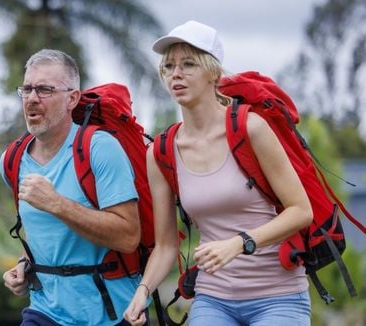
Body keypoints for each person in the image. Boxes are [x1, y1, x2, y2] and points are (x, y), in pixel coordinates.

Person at [123, 20, 313, 325]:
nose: (176, 74)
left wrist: (240, 242)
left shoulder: (251, 129)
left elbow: (301, 211)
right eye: (169, 66)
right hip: (213, 299)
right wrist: (142, 292)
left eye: (188, 64)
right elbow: (167, 246)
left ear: (213, 72)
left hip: (278, 297)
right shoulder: (160, 151)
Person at [0, 49, 145, 325]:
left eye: (44, 90)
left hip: (112, 313)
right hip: (45, 311)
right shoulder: (12, 160)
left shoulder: (100, 149)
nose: (32, 98)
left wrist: (57, 204)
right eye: (27, 89)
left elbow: (128, 237)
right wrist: (23, 263)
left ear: (72, 98)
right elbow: (40, 231)